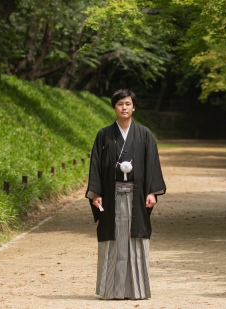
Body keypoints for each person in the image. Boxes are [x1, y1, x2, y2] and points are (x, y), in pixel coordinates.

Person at [86, 89, 166, 300]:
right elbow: (96, 164)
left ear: (133, 107)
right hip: (111, 196)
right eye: (120, 104)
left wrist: (152, 192)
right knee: (111, 239)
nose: (124, 107)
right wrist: (96, 193)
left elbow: (152, 164)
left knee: (136, 238)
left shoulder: (144, 134)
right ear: (114, 108)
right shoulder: (104, 135)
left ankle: (137, 290)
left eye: (128, 104)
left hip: (137, 195)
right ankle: (109, 289)